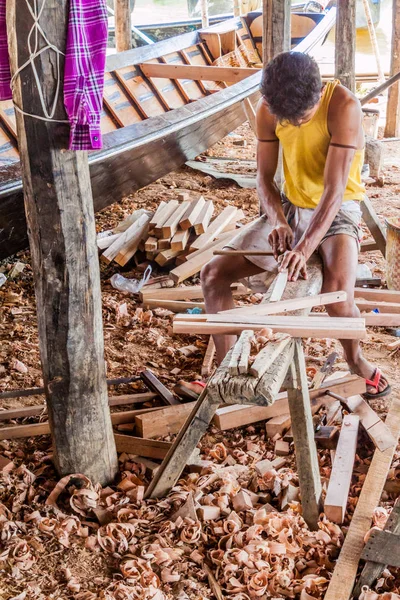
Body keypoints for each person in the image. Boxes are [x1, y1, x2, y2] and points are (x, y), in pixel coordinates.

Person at [201, 51, 390, 399]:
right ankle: (227, 376)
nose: (299, 124)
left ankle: (356, 360)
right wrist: (278, 221)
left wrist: (304, 247)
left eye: (303, 117)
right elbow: (262, 177)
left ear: (318, 93)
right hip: (292, 206)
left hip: (339, 208)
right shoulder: (268, 110)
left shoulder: (343, 106)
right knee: (212, 275)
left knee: (337, 296)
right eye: (290, 119)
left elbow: (334, 193)